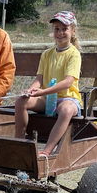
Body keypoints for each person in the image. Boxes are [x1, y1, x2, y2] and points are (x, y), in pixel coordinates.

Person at [14, 11, 82, 157]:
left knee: (66, 110)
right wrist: (31, 90)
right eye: (57, 29)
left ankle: (47, 150)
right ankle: (19, 143)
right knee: (21, 101)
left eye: (64, 29)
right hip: (47, 98)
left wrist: (43, 92)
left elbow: (68, 82)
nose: (60, 33)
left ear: (73, 31)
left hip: (67, 98)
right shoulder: (47, 54)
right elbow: (39, 79)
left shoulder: (74, 54)